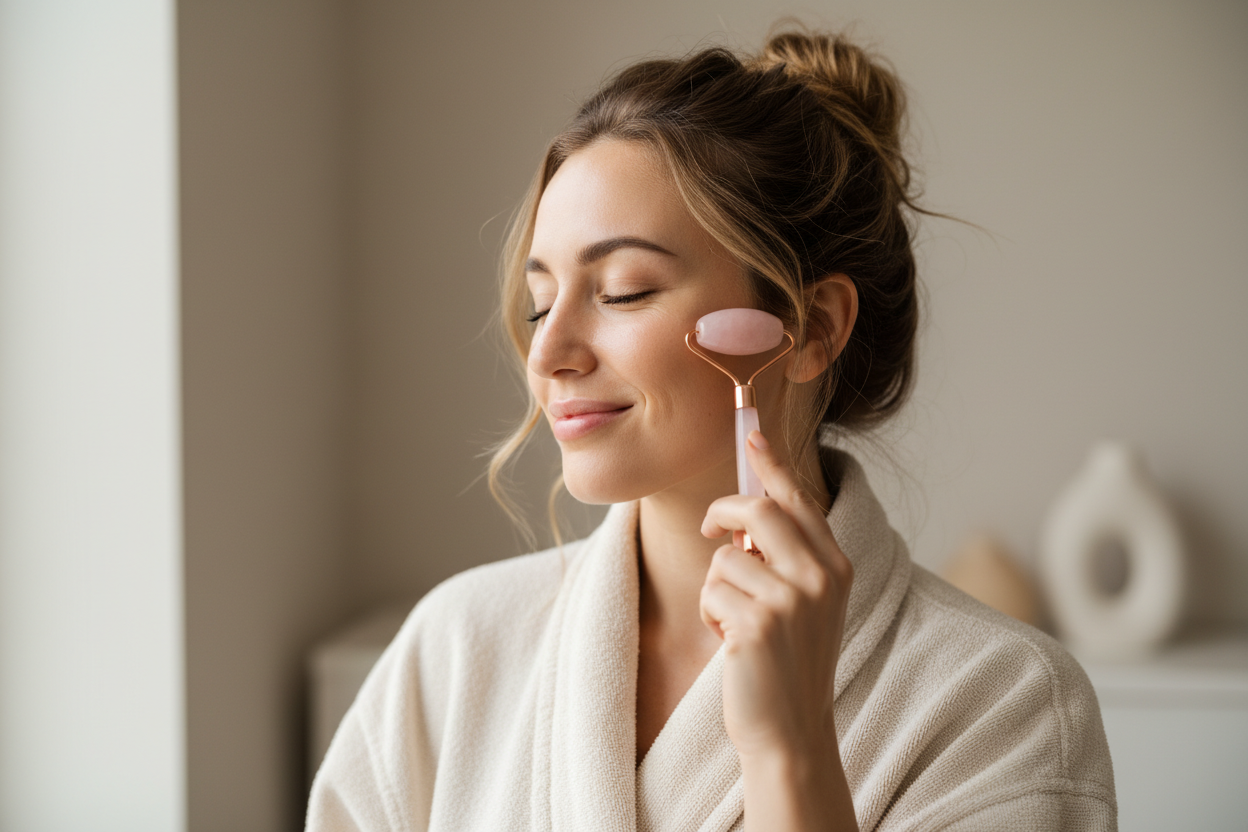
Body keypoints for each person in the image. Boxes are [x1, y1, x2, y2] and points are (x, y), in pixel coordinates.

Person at [307, 28, 1116, 831]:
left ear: (811, 326)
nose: (547, 353)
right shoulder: (457, 650)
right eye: (539, 300)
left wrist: (791, 754)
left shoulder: (1004, 706)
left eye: (622, 291)